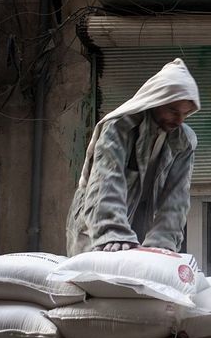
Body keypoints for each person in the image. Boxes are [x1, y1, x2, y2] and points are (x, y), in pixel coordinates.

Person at [66, 58, 200, 256]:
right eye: (173, 110)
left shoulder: (184, 140)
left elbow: (177, 196)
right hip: (96, 217)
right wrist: (112, 232)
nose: (179, 120)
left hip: (141, 216)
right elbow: (106, 180)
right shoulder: (120, 127)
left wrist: (162, 243)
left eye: (186, 113)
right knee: (96, 275)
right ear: (157, 100)